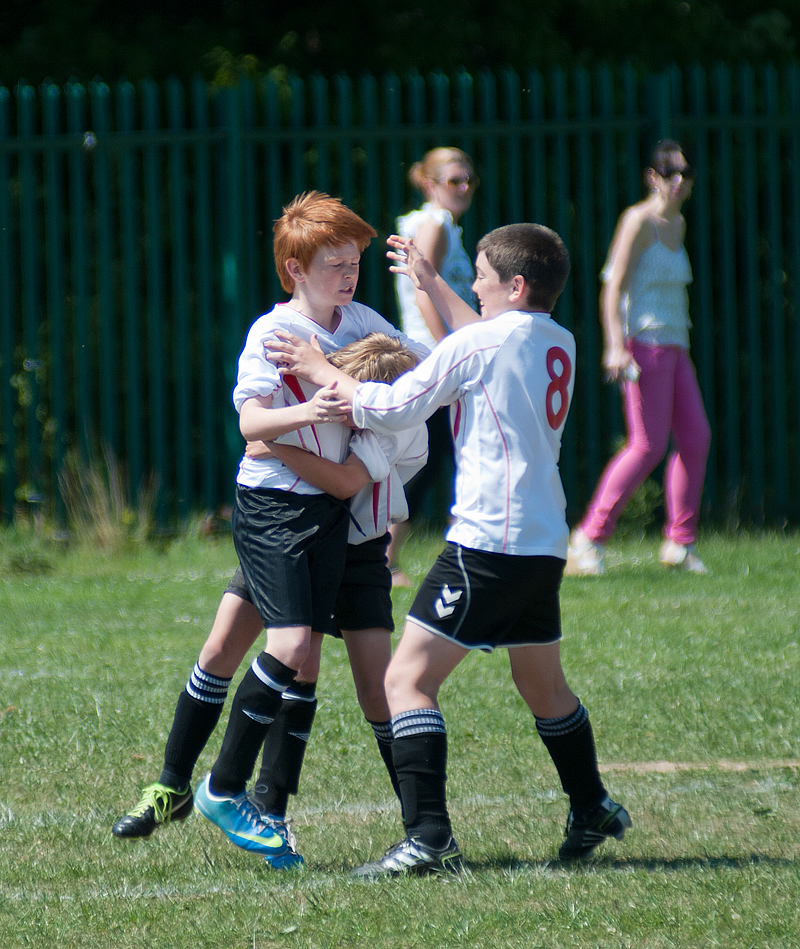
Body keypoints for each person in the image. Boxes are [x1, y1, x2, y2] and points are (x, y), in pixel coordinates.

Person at [265, 223, 631, 877]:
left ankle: (428, 836)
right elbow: (479, 338)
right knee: (540, 683)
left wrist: (321, 369)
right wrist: (431, 284)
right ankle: (592, 803)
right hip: (542, 541)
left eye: (482, 277)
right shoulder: (557, 337)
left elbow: (394, 405)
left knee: (406, 681)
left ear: (515, 285)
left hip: (488, 540)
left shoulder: (487, 341)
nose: (476, 288)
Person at [112, 191, 427, 868]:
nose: (347, 276)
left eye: (354, 263)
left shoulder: (367, 325)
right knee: (270, 647)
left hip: (331, 516)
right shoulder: (273, 334)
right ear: (294, 269)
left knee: (287, 653)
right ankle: (191, 787)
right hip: (276, 509)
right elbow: (252, 425)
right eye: (334, 264)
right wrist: (304, 412)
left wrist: (426, 297)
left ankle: (311, 815)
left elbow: (415, 384)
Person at [567, 140, 711, 577]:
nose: (679, 182)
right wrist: (614, 345)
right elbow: (612, 286)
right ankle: (588, 538)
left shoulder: (678, 223)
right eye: (671, 173)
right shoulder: (638, 220)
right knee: (646, 445)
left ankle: (679, 545)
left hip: (675, 344)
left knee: (696, 438)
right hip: (642, 344)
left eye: (685, 173)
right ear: (653, 177)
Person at [387, 147, 479, 585]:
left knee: (430, 455)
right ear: (429, 184)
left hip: (431, 356)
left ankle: (384, 558)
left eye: (468, 181)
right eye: (453, 181)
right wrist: (449, 351)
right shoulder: (436, 225)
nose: (463, 188)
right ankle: (382, 559)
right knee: (426, 458)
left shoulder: (442, 226)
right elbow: (423, 291)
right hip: (431, 357)